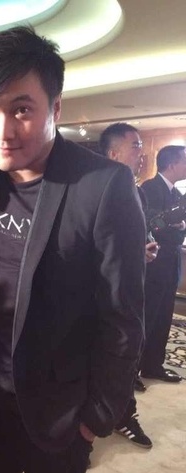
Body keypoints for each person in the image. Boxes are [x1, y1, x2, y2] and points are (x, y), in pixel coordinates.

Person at [0, 26, 146, 473]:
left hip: (60, 413)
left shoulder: (103, 184)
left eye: (22, 109)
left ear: (55, 108)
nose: (2, 131)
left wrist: (97, 415)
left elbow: (123, 316)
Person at [99, 123, 153, 448]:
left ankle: (124, 414)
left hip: (131, 291)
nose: (142, 153)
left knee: (129, 353)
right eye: (136, 145)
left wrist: (142, 251)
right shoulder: (91, 191)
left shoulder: (138, 192)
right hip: (99, 294)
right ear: (114, 153)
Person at [139, 145, 186, 383]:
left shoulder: (177, 194)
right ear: (172, 164)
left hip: (171, 262)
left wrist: (180, 227)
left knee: (164, 315)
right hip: (153, 262)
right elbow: (149, 225)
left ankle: (153, 365)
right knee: (146, 316)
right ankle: (131, 370)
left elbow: (177, 233)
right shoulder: (149, 188)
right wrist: (173, 226)